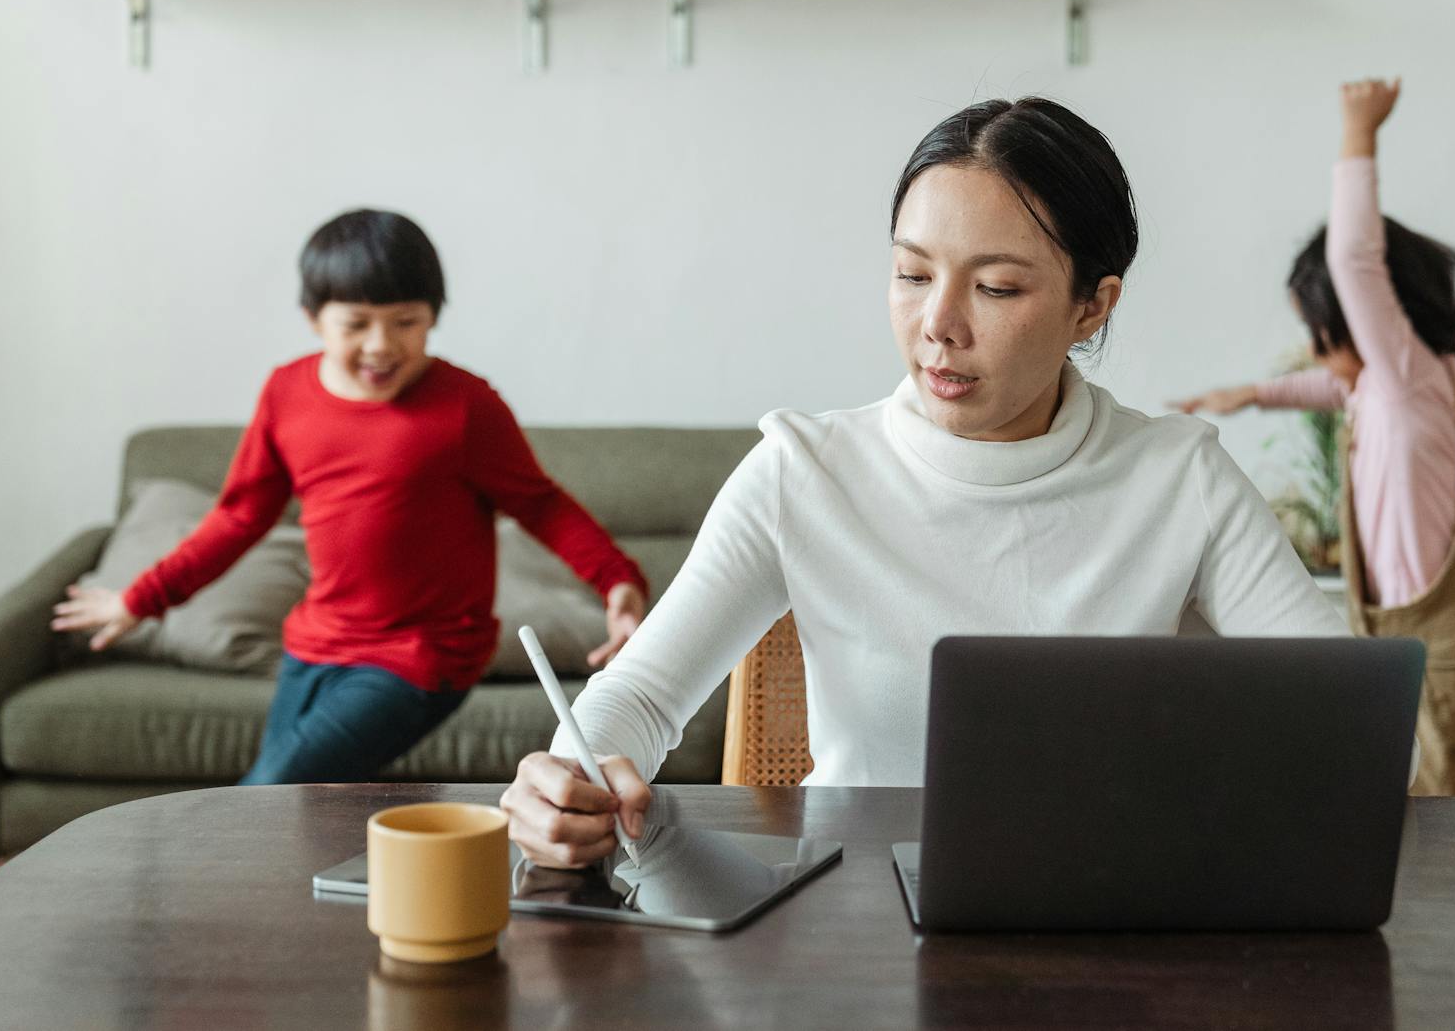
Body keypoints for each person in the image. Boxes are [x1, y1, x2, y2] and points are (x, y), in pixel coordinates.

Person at [501, 98, 1350, 869]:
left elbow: (1342, 712)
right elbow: (643, 694)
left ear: (1093, 306)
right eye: (912, 274)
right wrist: (570, 775)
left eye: (996, 287)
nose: (938, 325)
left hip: (1106, 915)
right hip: (854, 929)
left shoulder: (1178, 476)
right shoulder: (805, 471)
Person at [53, 209, 650, 784]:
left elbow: (540, 504)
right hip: (315, 643)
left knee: (268, 794)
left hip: (423, 656)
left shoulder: (466, 407)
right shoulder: (287, 393)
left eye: (406, 322)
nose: (382, 345)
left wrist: (616, 581)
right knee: (294, 813)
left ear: (434, 317)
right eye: (357, 323)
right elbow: (239, 517)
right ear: (315, 318)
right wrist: (142, 599)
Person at [1173, 79, 1455, 796]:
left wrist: (1359, 132)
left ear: (1365, 321)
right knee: (1427, 821)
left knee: (1438, 834)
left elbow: (1353, 259)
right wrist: (1253, 393)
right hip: (1448, 646)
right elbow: (1333, 386)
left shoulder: (1406, 374)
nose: (1316, 357)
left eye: (1319, 335)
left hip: (1450, 660)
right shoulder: (1404, 387)